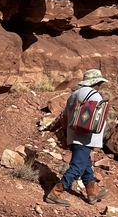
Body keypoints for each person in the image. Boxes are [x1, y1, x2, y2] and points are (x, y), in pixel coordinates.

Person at [45, 68, 110, 206]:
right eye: (100, 82)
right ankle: (55, 193)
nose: (100, 85)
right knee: (77, 167)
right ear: (96, 82)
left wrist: (64, 133)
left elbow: (65, 116)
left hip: (74, 135)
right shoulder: (95, 95)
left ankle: (92, 194)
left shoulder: (74, 95)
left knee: (86, 165)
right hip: (85, 137)